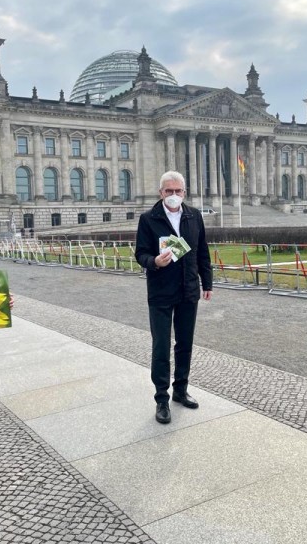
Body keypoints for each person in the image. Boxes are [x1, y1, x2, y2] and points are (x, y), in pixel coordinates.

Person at [135, 171, 213, 424]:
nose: (173, 195)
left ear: (184, 192)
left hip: (188, 289)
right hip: (160, 291)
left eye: (178, 191)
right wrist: (154, 261)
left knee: (185, 344)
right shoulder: (149, 219)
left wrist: (207, 283)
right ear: (161, 193)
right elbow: (141, 254)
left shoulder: (194, 216)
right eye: (168, 191)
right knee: (160, 346)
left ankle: (181, 389)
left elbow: (203, 252)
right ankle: (161, 399)